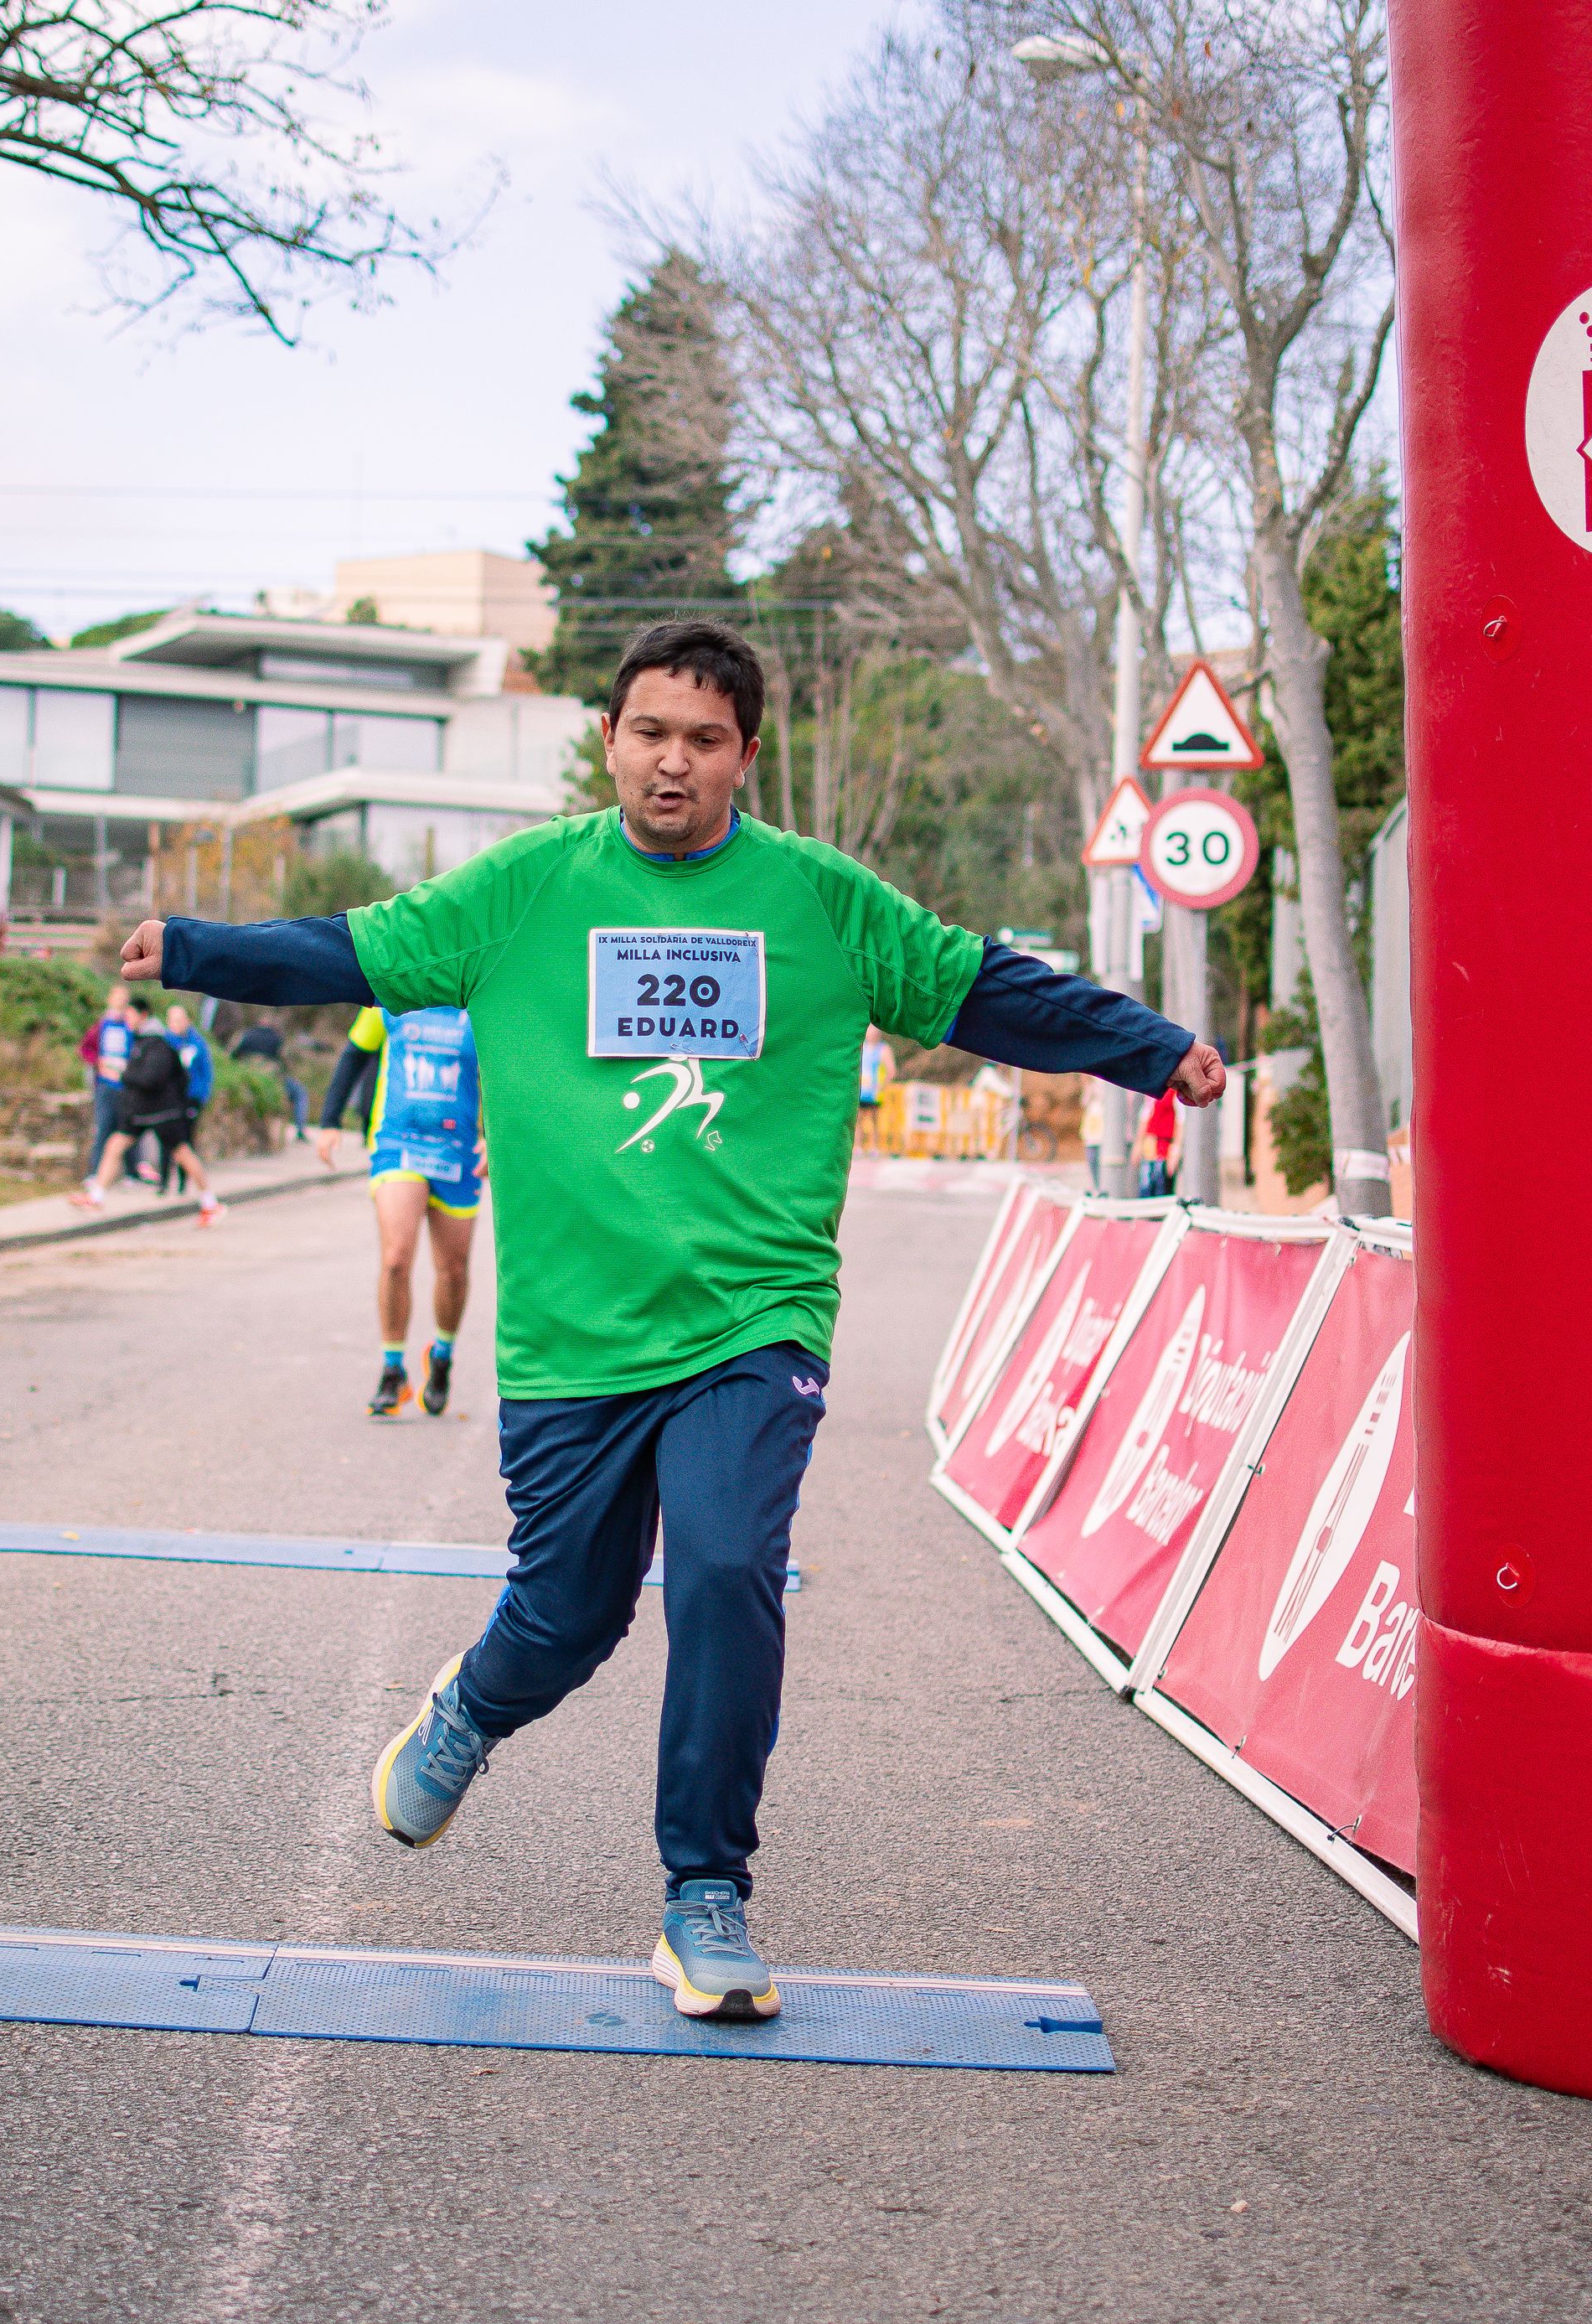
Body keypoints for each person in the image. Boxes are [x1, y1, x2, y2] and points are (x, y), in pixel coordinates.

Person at [120, 617, 1224, 2021]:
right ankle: (472, 1707)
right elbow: (355, 947)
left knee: (722, 1566)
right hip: (577, 1335)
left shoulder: (820, 902)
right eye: (651, 732)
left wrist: (1153, 1047)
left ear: (746, 758)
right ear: (611, 742)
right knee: (568, 1613)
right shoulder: (527, 891)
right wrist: (197, 947)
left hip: (752, 1317)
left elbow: (987, 988)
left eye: (705, 739)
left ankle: (707, 1893)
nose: (673, 762)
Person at [317, 1002, 484, 1418]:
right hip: (398, 1146)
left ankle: (442, 1356)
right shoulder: (388, 996)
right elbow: (354, 1054)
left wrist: (494, 1137)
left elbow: (507, 1071)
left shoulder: (478, 1000)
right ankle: (393, 1371)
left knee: (454, 1268)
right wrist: (329, 1120)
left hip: (458, 1152)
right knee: (396, 1259)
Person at [70, 996, 223, 1224]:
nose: (127, 1019)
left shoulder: (157, 1043)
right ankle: (96, 1197)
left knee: (183, 1154)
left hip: (163, 1112)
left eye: (131, 1014)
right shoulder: (142, 1040)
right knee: (114, 1145)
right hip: (141, 1111)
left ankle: (211, 1204)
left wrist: (123, 1074)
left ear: (143, 1015)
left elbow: (152, 1078)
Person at [80, 983, 133, 1178]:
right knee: (103, 1128)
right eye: (117, 997)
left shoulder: (130, 1026)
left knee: (127, 1130)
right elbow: (86, 1049)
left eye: (124, 998)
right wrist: (97, 1062)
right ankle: (95, 1172)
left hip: (126, 1086)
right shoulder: (101, 1025)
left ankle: (130, 1174)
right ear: (110, 999)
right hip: (105, 1084)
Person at [161, 1003, 213, 1193]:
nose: (176, 1024)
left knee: (186, 1141)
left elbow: (206, 1072)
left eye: (179, 1020)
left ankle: (183, 1183)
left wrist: (201, 1096)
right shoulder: (165, 1043)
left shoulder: (197, 1043)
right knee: (166, 1140)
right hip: (169, 1098)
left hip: (190, 1098)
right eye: (172, 1020)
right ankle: (164, 1182)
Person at [232, 1019, 308, 1138]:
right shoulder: (277, 1038)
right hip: (271, 1077)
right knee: (300, 1092)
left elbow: (232, 1055)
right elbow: (286, 1061)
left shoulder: (246, 1034)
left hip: (246, 1073)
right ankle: (300, 1129)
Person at [855, 1025, 896, 1152]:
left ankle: (874, 1147)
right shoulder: (862, 1047)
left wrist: (883, 1086)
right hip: (860, 1090)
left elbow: (891, 1070)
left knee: (874, 1120)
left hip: (875, 1092)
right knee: (857, 1120)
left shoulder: (884, 1049)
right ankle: (858, 1147)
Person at [1139, 1085, 1180, 1197]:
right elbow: (1145, 1117)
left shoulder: (1174, 1093)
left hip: (1164, 1146)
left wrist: (1175, 1149)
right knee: (1146, 1188)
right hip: (1150, 1145)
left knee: (1161, 1187)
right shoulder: (1151, 1091)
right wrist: (1138, 1144)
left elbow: (1180, 1121)